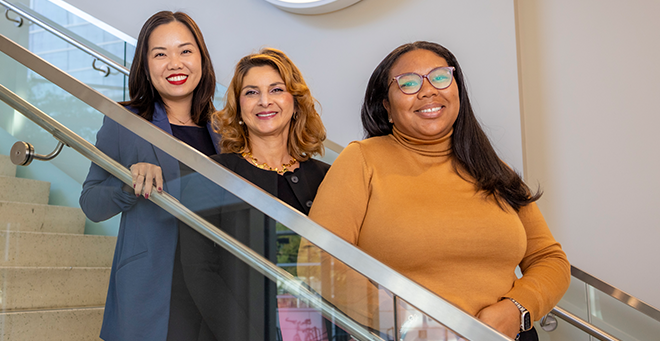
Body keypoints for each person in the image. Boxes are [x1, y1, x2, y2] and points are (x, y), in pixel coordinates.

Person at [306, 41, 570, 340]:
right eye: (408, 83)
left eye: (440, 77)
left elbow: (550, 259)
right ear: (387, 107)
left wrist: (516, 309)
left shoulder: (496, 169)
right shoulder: (362, 160)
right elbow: (318, 260)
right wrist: (412, 325)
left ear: (457, 90)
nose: (428, 90)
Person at [79, 11, 219, 341]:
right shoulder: (124, 121)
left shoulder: (225, 130)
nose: (175, 63)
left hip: (217, 288)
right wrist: (127, 181)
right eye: (160, 54)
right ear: (145, 63)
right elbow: (91, 204)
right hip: (154, 288)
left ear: (201, 58)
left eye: (185, 51)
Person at [176, 48, 329, 340]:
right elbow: (199, 271)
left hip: (316, 328)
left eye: (276, 89)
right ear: (239, 108)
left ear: (295, 102)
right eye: (251, 92)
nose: (264, 101)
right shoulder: (211, 174)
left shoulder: (325, 177)